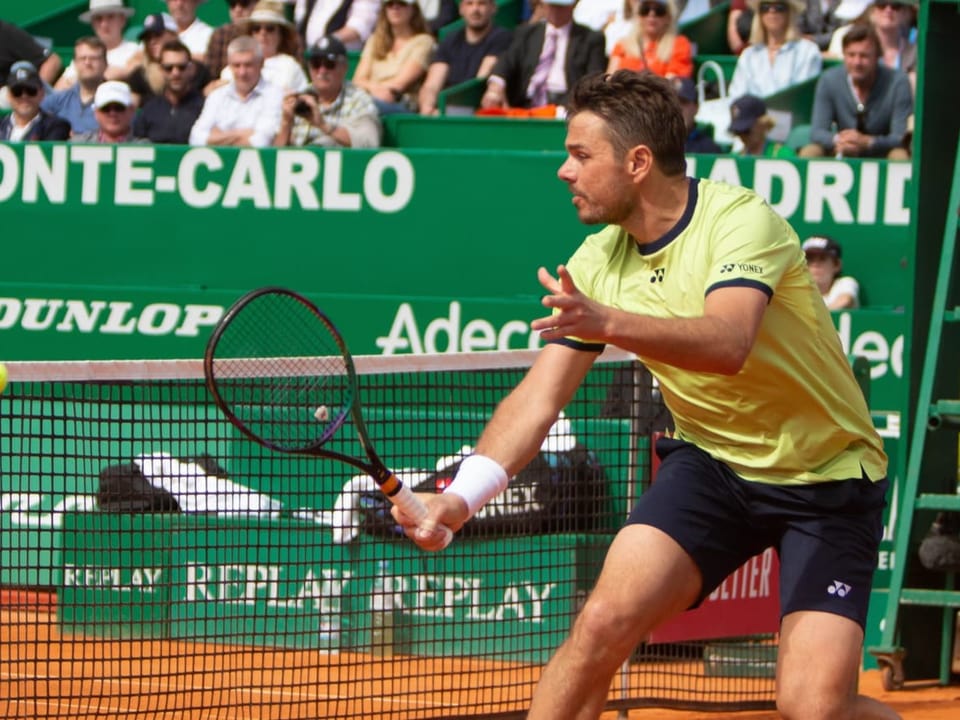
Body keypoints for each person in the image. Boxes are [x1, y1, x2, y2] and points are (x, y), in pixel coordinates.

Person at [394, 70, 896, 720]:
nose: (564, 172)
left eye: (580, 155)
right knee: (600, 624)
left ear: (637, 162)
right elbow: (538, 398)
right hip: (713, 466)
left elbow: (728, 342)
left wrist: (608, 322)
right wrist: (461, 499)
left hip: (827, 483)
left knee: (814, 709)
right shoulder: (598, 259)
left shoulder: (741, 221)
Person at [800, 24, 912, 159]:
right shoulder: (829, 80)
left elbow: (900, 137)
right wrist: (840, 140)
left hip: (881, 150)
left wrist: (868, 142)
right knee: (811, 151)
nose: (857, 62)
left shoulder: (898, 82)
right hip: (842, 147)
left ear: (877, 57)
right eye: (851, 55)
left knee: (900, 156)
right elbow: (817, 132)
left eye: (864, 56)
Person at [480, 0, 606, 111]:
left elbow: (592, 79)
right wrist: (496, 85)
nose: (555, 11)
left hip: (568, 108)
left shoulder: (591, 39)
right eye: (552, 5)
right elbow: (507, 61)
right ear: (543, 5)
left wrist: (570, 106)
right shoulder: (526, 33)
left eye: (560, 6)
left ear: (573, 5)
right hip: (526, 106)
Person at [275, 35, 382, 147]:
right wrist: (286, 123)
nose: (322, 71)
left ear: (344, 67)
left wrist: (323, 125)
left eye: (329, 64)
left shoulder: (358, 100)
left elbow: (369, 143)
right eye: (316, 64)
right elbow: (274, 156)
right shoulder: (300, 98)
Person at [417, 0, 513, 115]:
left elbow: (478, 82)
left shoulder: (501, 37)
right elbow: (432, 84)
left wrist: (445, 112)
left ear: (493, 8)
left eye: (481, 4)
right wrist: (427, 108)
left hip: (477, 110)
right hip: (446, 109)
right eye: (469, 3)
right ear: (461, 9)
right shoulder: (450, 40)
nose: (475, 10)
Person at [189, 35, 284, 146]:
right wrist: (242, 134)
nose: (242, 72)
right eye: (236, 65)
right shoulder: (217, 95)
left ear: (261, 63)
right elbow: (196, 138)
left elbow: (261, 142)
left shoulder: (274, 95)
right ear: (229, 65)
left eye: (248, 65)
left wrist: (217, 135)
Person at [351, 0, 435, 115]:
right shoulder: (375, 40)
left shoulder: (424, 42)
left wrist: (370, 88)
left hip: (401, 103)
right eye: (390, 4)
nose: (395, 8)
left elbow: (399, 84)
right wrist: (375, 90)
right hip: (370, 99)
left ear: (413, 9)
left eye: (402, 4)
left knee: (360, 105)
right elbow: (358, 80)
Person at [727, 0, 822, 100]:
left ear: (790, 12)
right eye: (765, 7)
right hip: (753, 115)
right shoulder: (749, 55)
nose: (772, 11)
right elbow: (736, 97)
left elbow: (801, 97)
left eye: (779, 7)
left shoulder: (807, 51)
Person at [826, 0, 917, 92]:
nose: (888, 10)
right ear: (872, 12)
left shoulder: (915, 52)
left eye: (896, 6)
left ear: (905, 13)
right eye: (881, 4)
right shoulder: (856, 47)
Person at [220, 1, 308, 93]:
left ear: (281, 34)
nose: (263, 33)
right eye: (257, 28)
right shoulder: (233, 68)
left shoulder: (291, 67)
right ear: (250, 34)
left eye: (270, 28)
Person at [55, 0, 140, 89]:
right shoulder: (84, 54)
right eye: (99, 19)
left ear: (122, 20)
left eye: (110, 17)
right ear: (92, 24)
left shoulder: (135, 51)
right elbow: (59, 89)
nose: (104, 24)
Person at [133, 40, 206, 143]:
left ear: (191, 69)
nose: (175, 73)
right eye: (168, 68)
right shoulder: (149, 110)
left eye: (182, 67)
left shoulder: (205, 108)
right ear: (161, 70)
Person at [606, 0, 693, 79]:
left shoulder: (679, 44)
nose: (651, 14)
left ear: (669, 17)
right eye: (645, 9)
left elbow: (673, 82)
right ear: (638, 15)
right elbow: (609, 80)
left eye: (659, 10)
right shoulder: (622, 45)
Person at [41, 36, 108, 134]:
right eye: (82, 58)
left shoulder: (115, 103)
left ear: (105, 63)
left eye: (94, 58)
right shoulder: (57, 100)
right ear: (75, 63)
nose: (87, 63)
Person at [0, 62, 71, 141]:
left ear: (42, 93)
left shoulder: (55, 126)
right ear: (8, 95)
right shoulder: (1, 125)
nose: (24, 96)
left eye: (31, 91)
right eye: (17, 91)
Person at [71, 80, 149, 143]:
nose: (112, 113)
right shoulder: (78, 145)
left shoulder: (146, 149)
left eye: (119, 107)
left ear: (131, 111)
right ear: (96, 112)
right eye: (105, 108)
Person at [294, 0, 381, 51]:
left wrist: (328, 42)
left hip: (343, 60)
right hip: (309, 56)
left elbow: (360, 26)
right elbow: (300, 18)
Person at [803, 235, 860, 309]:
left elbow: (845, 300)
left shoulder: (844, 283)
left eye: (822, 259)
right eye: (810, 259)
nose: (815, 264)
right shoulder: (796, 290)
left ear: (837, 265)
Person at [728, 93, 795, 156]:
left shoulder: (782, 155)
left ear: (763, 124)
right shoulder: (735, 159)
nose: (742, 136)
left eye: (746, 130)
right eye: (738, 132)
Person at [206, 0, 258, 78]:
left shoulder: (265, 32)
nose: (237, 9)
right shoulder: (221, 33)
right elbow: (211, 74)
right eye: (233, 4)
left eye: (244, 4)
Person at [673, 77, 723, 153]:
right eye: (673, 102)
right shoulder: (654, 145)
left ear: (696, 107)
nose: (678, 108)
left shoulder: (708, 149)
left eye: (683, 102)